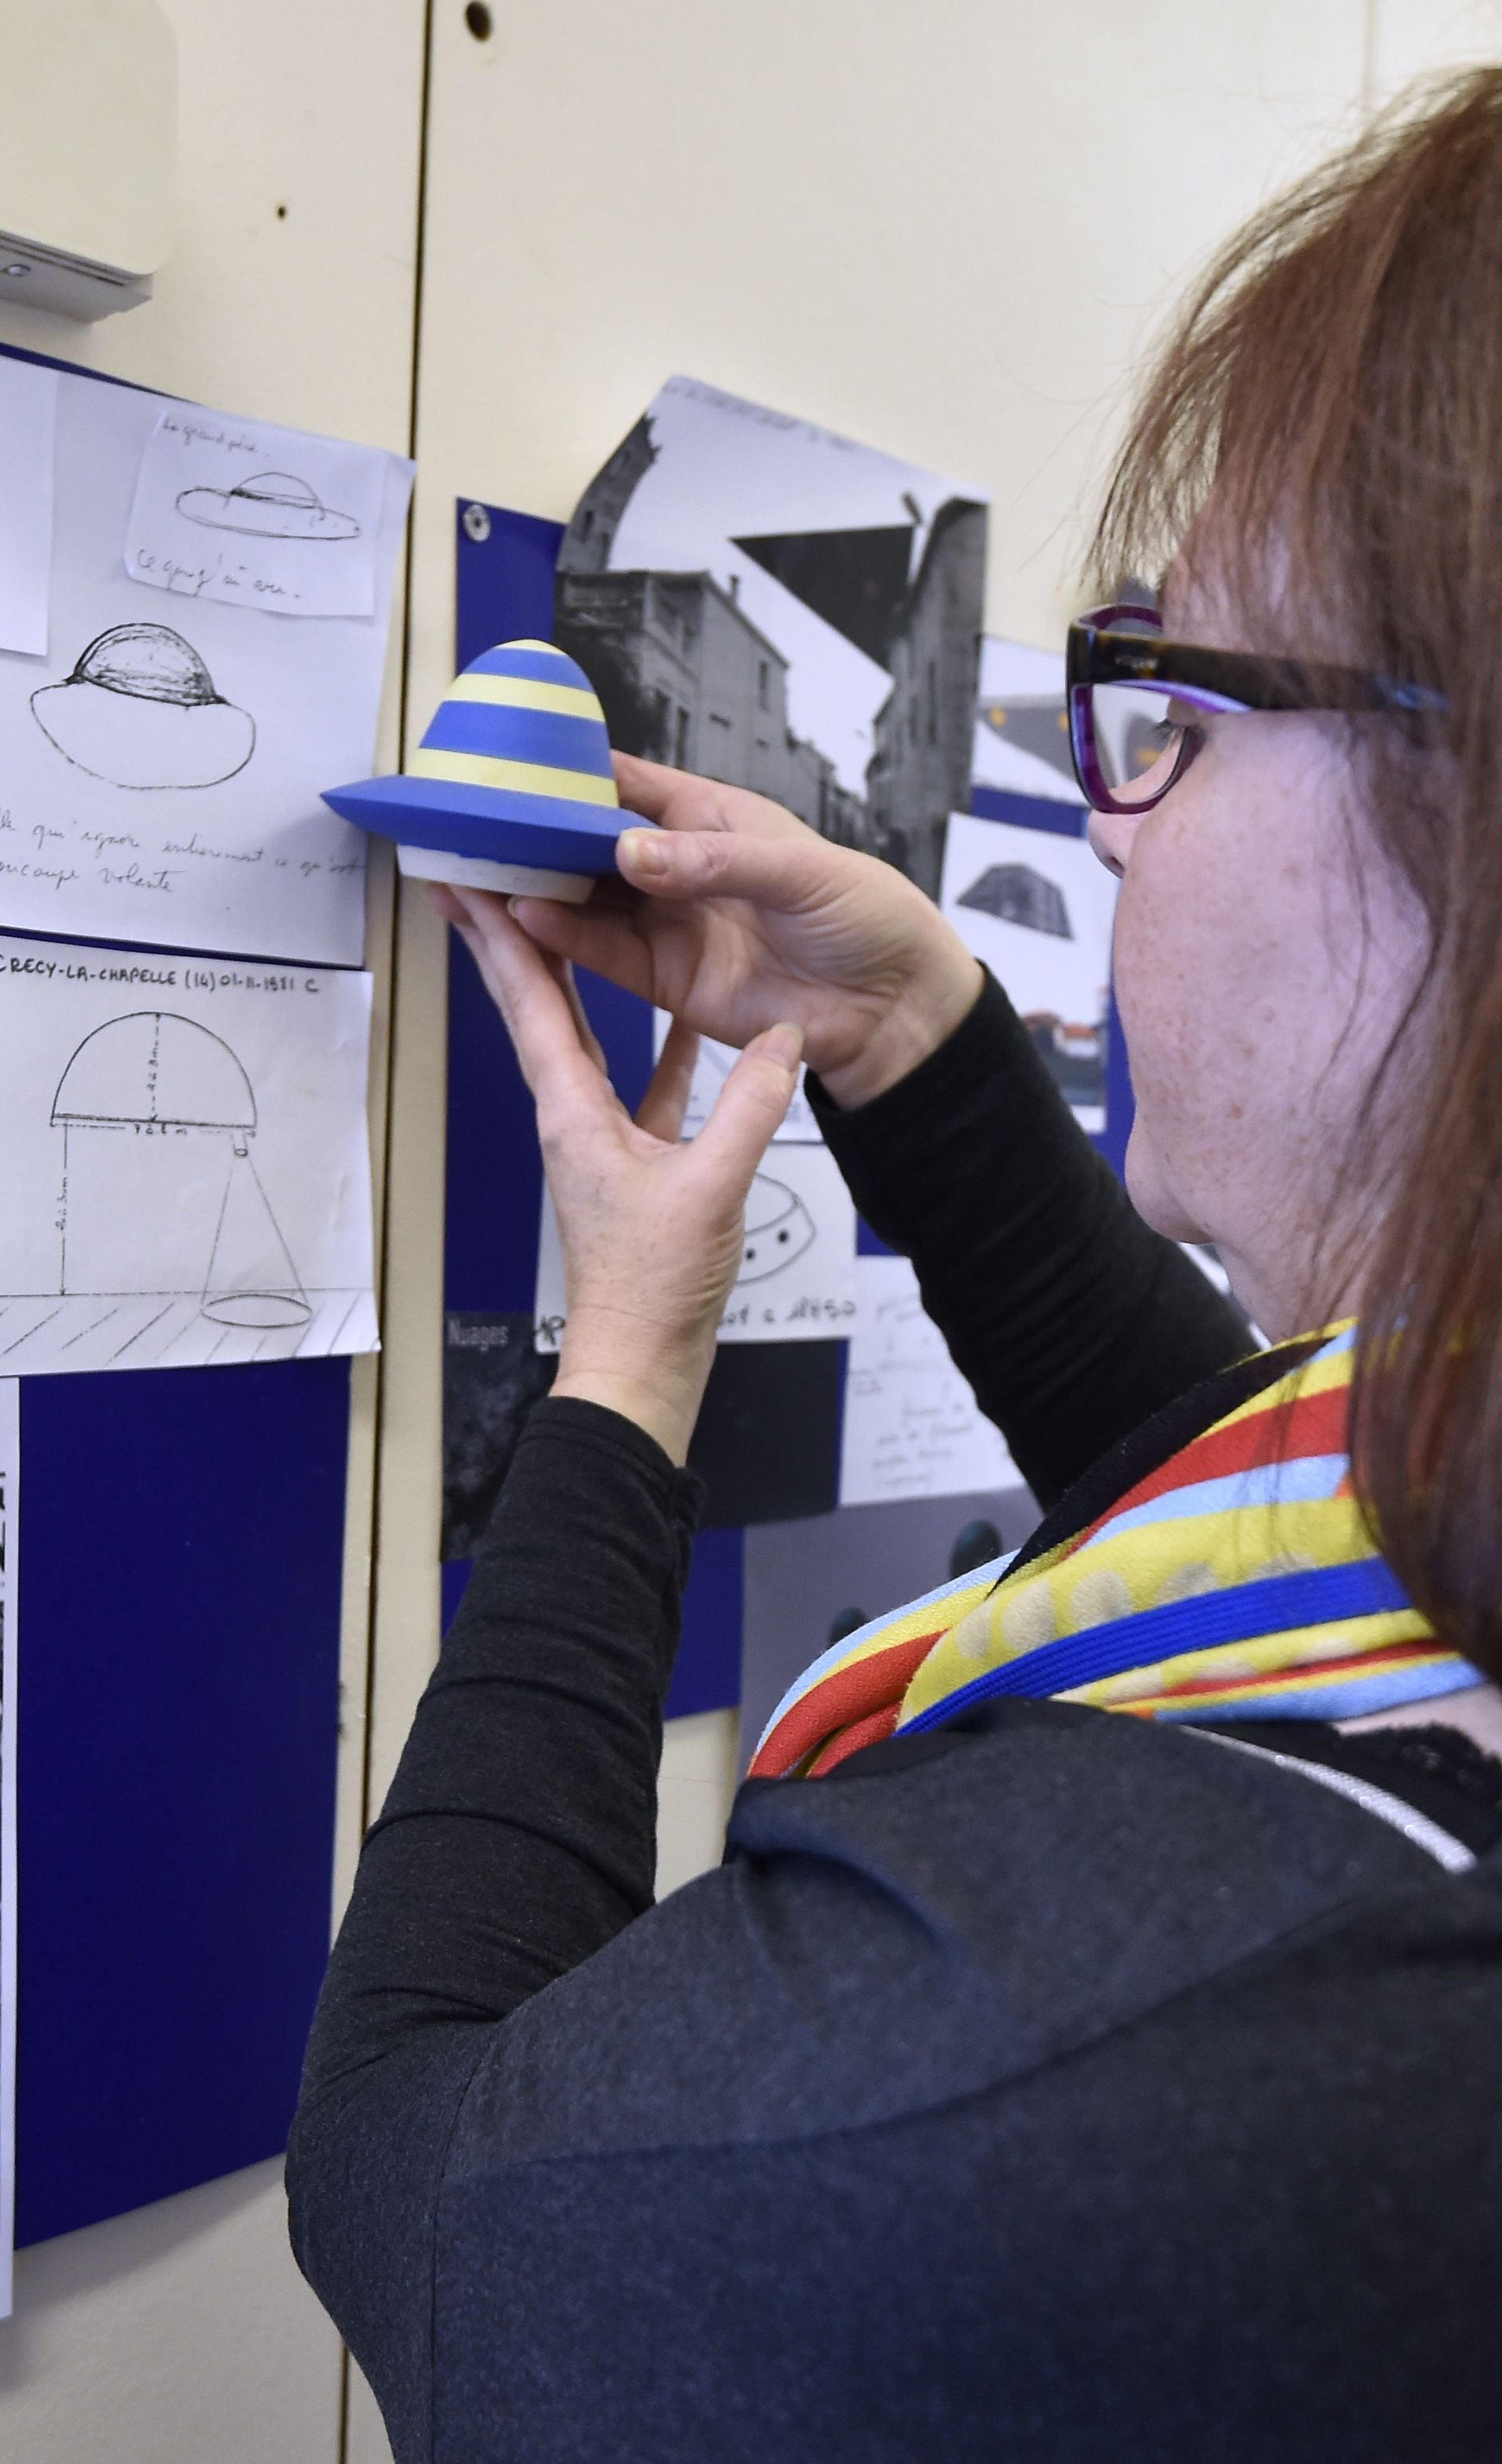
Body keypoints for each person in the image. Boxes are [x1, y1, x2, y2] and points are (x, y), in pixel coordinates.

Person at [291, 74, 1502, 2462]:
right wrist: (906, 1039)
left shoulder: (1070, 2068)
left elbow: (423, 2171)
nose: (1109, 825)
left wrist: (624, 1355)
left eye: (1168, 705)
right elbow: (1304, 1532)